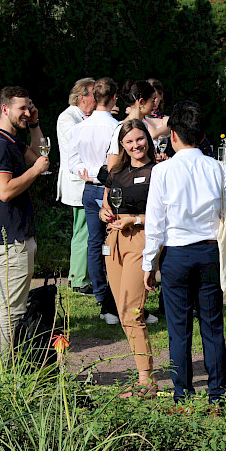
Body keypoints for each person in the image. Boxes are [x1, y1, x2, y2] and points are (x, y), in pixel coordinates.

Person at [142, 100, 226, 406]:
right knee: (212, 327)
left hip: (176, 256)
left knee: (179, 330)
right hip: (210, 252)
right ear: (201, 136)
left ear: (173, 135)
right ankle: (216, 396)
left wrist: (149, 263)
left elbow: (155, 223)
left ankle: (181, 394)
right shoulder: (217, 168)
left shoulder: (163, 171)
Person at [0, 86, 49, 360]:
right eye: (22, 108)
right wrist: (34, 171)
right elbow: (5, 190)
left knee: (4, 308)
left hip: (13, 238)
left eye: (30, 107)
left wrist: (34, 124)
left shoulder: (9, 141)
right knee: (11, 312)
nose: (27, 112)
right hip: (11, 240)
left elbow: (39, 155)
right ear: (5, 109)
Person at [99, 120, 158, 397]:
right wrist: (105, 215)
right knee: (123, 311)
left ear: (147, 139)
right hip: (114, 240)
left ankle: (146, 380)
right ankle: (143, 374)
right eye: (130, 141)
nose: (136, 145)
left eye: (140, 139)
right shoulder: (116, 172)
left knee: (132, 309)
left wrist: (133, 219)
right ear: (122, 145)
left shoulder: (158, 171)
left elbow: (163, 216)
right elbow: (106, 204)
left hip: (141, 238)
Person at [68, 77, 121, 325]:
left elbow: (71, 162)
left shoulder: (81, 126)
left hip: (89, 188)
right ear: (113, 98)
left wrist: (84, 171)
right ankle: (113, 295)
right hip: (110, 190)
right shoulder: (116, 126)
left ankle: (102, 295)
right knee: (116, 243)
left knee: (94, 242)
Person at [57, 77, 96, 295]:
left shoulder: (83, 116)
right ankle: (79, 279)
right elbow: (78, 140)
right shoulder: (67, 117)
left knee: (85, 230)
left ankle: (79, 275)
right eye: (94, 95)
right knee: (83, 230)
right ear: (82, 97)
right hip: (78, 182)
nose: (97, 100)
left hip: (86, 181)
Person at [107, 80, 168, 169]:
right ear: (141, 102)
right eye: (152, 100)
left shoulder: (144, 125)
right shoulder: (121, 129)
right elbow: (112, 167)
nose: (154, 105)